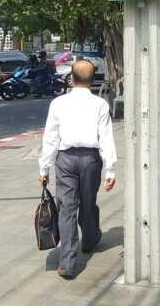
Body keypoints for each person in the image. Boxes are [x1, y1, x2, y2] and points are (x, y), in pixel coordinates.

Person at [39, 60, 117, 279]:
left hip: (65, 159)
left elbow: (51, 137)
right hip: (91, 160)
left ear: (71, 79)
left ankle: (67, 263)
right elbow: (106, 138)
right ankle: (90, 240)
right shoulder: (100, 104)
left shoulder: (58, 103)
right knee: (88, 202)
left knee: (67, 209)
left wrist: (44, 167)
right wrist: (110, 170)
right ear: (92, 80)